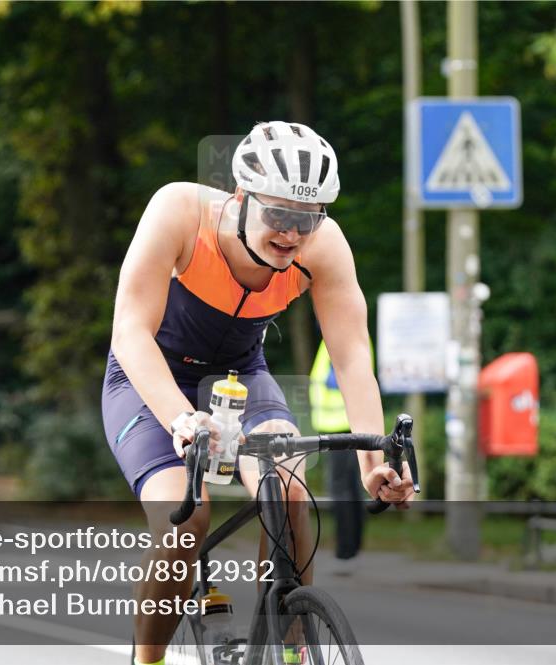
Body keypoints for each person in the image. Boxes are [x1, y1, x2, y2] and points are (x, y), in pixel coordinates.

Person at [102, 121, 415, 665]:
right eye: (279, 215)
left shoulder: (326, 246)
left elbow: (352, 357)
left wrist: (372, 461)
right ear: (241, 197)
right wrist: (181, 419)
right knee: (187, 520)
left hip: (240, 375)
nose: (292, 234)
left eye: (308, 219)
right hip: (152, 376)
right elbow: (130, 332)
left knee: (290, 489)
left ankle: (289, 647)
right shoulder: (179, 211)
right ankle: (146, 660)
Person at [310, 341, 364, 575]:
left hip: (340, 426)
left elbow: (341, 378)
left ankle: (345, 552)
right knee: (351, 489)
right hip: (341, 425)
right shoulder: (327, 340)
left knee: (341, 490)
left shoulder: (336, 333)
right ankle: (351, 550)